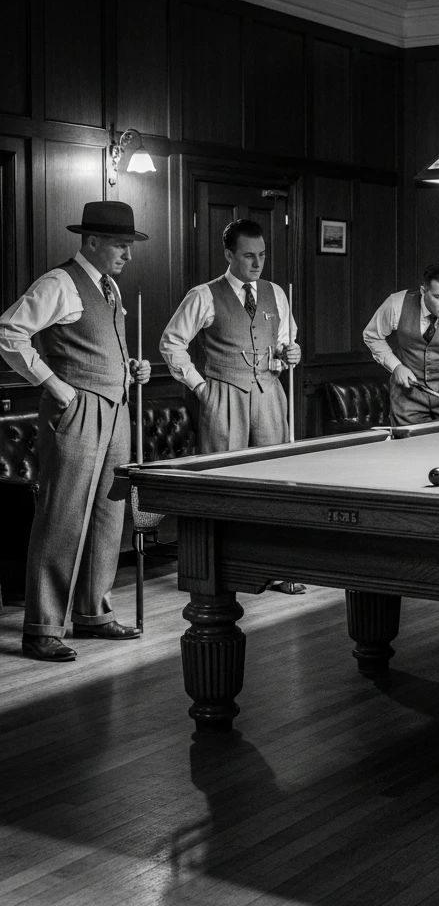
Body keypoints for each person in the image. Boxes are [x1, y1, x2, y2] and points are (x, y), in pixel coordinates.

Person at [0, 201, 151, 661]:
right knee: (62, 515)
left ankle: (93, 613)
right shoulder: (60, 283)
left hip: (117, 408)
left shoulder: (110, 288)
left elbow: (100, 346)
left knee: (109, 513)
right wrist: (56, 387)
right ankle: (42, 626)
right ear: (92, 241)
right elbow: (8, 332)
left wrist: (132, 368)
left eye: (129, 245)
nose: (127, 254)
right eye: (120, 245)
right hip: (76, 411)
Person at [159, 218, 304, 594]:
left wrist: (291, 354)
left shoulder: (276, 293)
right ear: (228, 255)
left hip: (269, 393)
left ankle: (276, 567)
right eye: (248, 256)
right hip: (223, 396)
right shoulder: (204, 295)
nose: (257, 263)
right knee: (223, 483)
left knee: (275, 482)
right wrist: (201, 388)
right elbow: (171, 343)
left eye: (263, 255)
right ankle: (220, 569)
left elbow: (285, 342)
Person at [363, 263, 439, 426]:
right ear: (423, 291)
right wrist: (396, 366)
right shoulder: (396, 303)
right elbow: (372, 336)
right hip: (408, 401)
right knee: (408, 443)